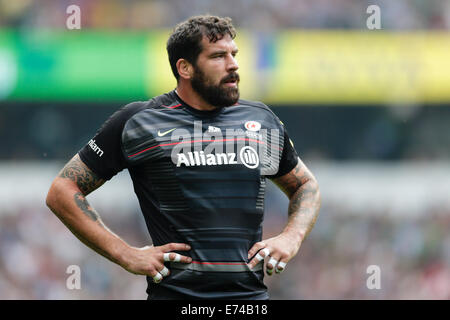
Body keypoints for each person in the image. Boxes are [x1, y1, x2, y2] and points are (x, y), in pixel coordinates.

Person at [46, 15, 321, 300]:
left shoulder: (261, 120)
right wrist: (124, 253)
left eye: (233, 54)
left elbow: (305, 185)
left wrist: (292, 236)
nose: (233, 64)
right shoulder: (139, 122)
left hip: (250, 301)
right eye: (218, 56)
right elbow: (62, 190)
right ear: (185, 67)